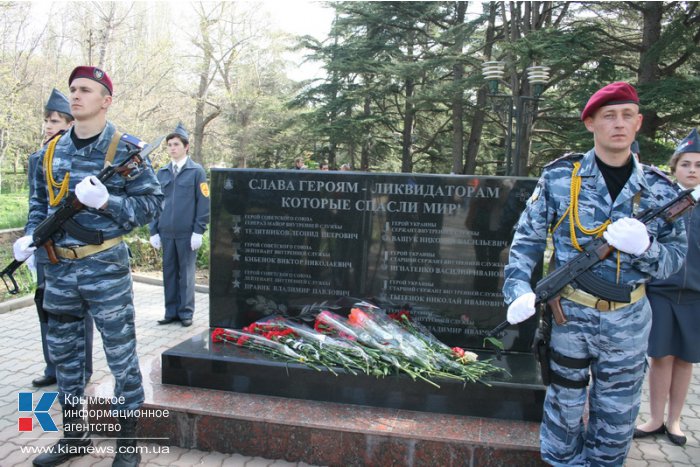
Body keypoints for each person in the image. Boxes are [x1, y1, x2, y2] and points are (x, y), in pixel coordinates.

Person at [502, 82, 687, 466]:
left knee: (617, 418)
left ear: (637, 124)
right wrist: (518, 289)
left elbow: (676, 259)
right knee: (564, 411)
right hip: (568, 317)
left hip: (629, 320)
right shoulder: (559, 178)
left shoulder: (659, 189)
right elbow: (527, 241)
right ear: (591, 123)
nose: (618, 124)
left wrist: (647, 249)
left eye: (626, 116)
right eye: (608, 116)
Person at [13, 66, 163, 467]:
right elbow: (38, 205)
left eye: (86, 90)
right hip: (59, 269)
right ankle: (74, 436)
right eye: (73, 89)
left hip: (104, 268)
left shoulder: (124, 151)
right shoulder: (49, 151)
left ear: (106, 100)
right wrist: (30, 236)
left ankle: (127, 444)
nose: (76, 96)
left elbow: (151, 206)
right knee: (65, 356)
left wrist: (106, 203)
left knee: (121, 355)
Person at [634, 129, 700, 447]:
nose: (692, 170)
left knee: (685, 359)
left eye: (698, 165)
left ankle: (675, 421)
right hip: (661, 290)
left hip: (695, 295)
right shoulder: (662, 202)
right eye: (686, 164)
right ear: (675, 167)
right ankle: (655, 418)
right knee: (660, 356)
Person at [28, 89, 95, 389]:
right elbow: (35, 203)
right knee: (46, 307)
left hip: (74, 249)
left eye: (55, 120)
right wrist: (31, 242)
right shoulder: (37, 159)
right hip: (46, 248)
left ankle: (82, 368)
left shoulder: (80, 155)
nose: (48, 126)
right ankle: (52, 366)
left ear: (69, 124)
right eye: (46, 120)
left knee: (77, 310)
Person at [149, 123, 209, 327]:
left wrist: (198, 231)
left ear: (186, 147)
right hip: (166, 232)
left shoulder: (196, 171)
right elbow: (155, 203)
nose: (172, 148)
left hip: (186, 233)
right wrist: (153, 230)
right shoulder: (162, 173)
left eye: (176, 144)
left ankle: (185, 313)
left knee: (186, 275)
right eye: (169, 145)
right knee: (169, 273)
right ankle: (171, 311)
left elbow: (204, 202)